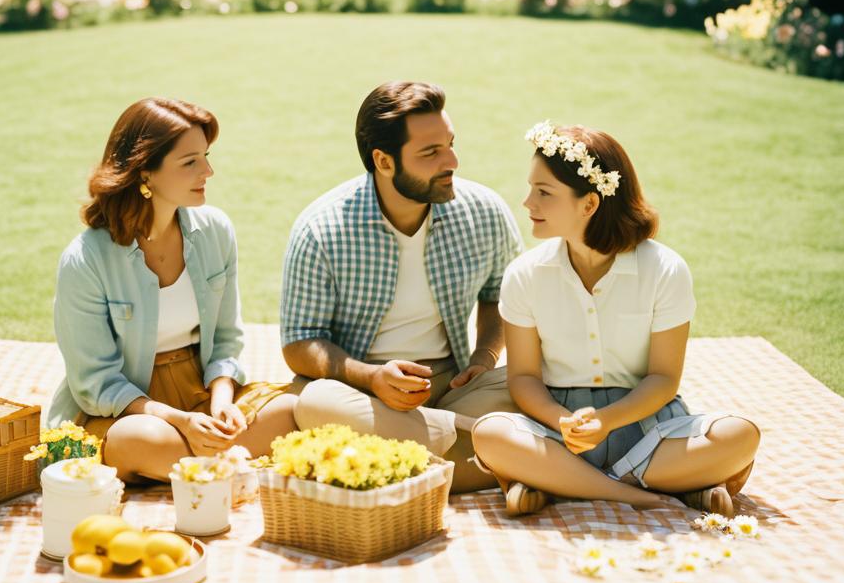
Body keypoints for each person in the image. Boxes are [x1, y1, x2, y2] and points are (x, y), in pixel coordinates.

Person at [471, 121, 760, 516]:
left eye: (543, 192)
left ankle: (562, 485)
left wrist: (607, 421)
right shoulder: (525, 274)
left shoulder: (664, 269)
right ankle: (637, 492)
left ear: (589, 204)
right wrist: (565, 421)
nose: (527, 203)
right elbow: (523, 378)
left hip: (648, 427)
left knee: (740, 435)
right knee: (490, 434)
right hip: (559, 431)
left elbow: (663, 378)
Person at [282, 81, 523, 492]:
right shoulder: (322, 228)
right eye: (431, 152)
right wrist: (373, 378)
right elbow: (301, 343)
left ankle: (401, 463)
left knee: (532, 385)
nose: (453, 161)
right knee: (315, 403)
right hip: (360, 391)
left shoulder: (484, 212)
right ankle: (508, 458)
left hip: (452, 385)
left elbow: (506, 296)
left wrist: (484, 357)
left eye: (450, 144)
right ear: (384, 161)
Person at [46, 97, 297, 482]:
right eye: (190, 162)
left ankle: (192, 468)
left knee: (291, 410)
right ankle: (216, 465)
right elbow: (95, 382)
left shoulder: (215, 230)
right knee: (141, 441)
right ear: (145, 173)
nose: (208, 171)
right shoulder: (86, 259)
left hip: (200, 388)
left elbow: (227, 337)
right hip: (126, 411)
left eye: (206, 156)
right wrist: (179, 421)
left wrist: (222, 402)